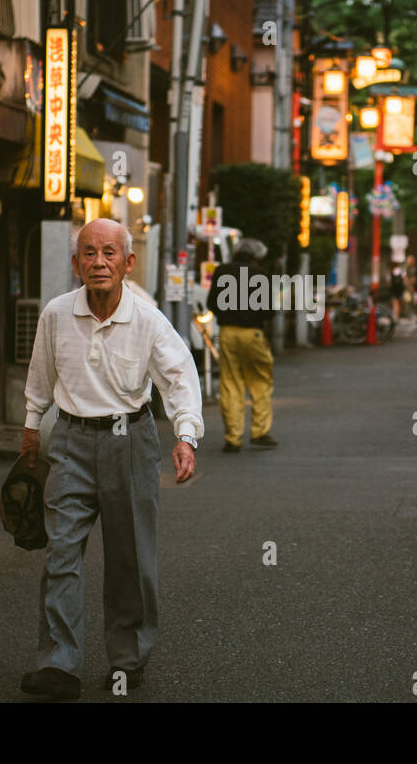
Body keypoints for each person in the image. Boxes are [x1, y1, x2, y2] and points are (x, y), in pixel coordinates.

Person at [19, 218, 203, 701]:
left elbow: (180, 378)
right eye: (89, 253)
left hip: (130, 442)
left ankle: (128, 658)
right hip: (71, 442)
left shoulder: (147, 319)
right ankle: (59, 664)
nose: (98, 262)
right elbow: (40, 378)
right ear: (76, 262)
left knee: (130, 557)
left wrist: (186, 436)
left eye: (109, 253)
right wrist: (31, 428)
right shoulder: (57, 314)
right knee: (60, 553)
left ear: (128, 262)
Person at [208, 237, 277, 453]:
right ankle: (259, 432)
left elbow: (212, 303)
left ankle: (233, 437)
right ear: (256, 256)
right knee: (260, 381)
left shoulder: (222, 271)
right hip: (253, 334)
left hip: (227, 333)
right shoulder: (261, 274)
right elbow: (268, 312)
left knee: (230, 383)